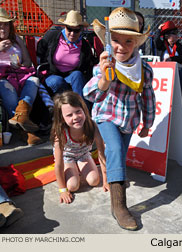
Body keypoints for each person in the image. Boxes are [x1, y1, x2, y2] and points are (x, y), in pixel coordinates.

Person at [84, 7, 156, 231]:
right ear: (108, 41)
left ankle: (117, 179)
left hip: (130, 120)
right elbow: (89, 94)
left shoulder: (143, 68)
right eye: (115, 40)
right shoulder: (105, 63)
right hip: (107, 115)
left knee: (121, 153)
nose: (121, 47)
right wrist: (104, 81)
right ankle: (119, 206)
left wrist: (148, 123)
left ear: (136, 44)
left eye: (128, 41)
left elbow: (148, 97)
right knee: (114, 148)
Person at [50, 91, 108, 204]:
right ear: (62, 118)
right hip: (67, 157)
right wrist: (62, 190)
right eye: (69, 115)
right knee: (72, 186)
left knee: (94, 181)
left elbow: (102, 153)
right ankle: (74, 169)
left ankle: (79, 168)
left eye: (78, 112)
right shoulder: (61, 133)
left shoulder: (92, 126)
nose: (75, 117)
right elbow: (59, 163)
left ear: (84, 110)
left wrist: (106, 180)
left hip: (84, 154)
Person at [0, 7, 44, 145]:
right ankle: (25, 130)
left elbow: (27, 61)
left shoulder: (17, 39)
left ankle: (21, 119)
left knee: (34, 79)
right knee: (4, 86)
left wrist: (19, 65)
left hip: (18, 74)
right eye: (0, 24)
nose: (3, 27)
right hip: (2, 77)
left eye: (6, 24)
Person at [36, 10, 95, 105]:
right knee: (57, 81)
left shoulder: (84, 45)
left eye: (76, 30)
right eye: (69, 29)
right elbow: (40, 51)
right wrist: (42, 67)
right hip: (51, 74)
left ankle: (84, 110)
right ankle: (73, 106)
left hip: (71, 76)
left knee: (78, 75)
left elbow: (87, 65)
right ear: (65, 27)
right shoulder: (52, 36)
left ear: (81, 30)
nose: (72, 33)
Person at [155, 20, 182, 98]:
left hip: (177, 69)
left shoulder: (179, 46)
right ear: (167, 35)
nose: (176, 36)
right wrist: (159, 30)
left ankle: (180, 98)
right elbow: (156, 41)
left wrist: (172, 58)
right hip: (165, 70)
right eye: (174, 34)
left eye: (176, 34)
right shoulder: (162, 46)